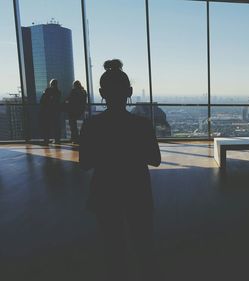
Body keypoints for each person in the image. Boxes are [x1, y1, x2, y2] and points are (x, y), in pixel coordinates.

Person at [79, 59, 161, 280]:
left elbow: (85, 163)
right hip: (137, 189)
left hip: (105, 190)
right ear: (130, 91)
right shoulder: (142, 125)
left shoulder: (91, 125)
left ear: (101, 93)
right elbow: (155, 160)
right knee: (143, 243)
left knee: (112, 247)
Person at [39, 79, 62, 145]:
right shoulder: (58, 92)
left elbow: (42, 100)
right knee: (56, 126)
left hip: (47, 111)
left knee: (47, 126)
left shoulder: (47, 90)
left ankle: (46, 140)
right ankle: (57, 140)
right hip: (55, 112)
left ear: (51, 84)